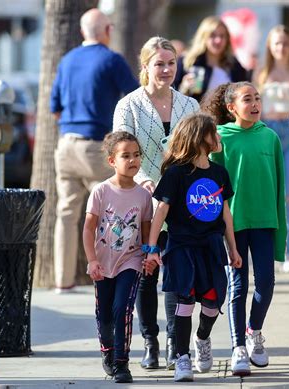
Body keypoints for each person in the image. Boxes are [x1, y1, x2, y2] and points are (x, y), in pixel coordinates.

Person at [113, 36, 199, 370]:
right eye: (159, 64)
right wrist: (143, 178)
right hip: (143, 202)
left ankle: (178, 345)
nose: (166, 70)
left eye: (171, 63)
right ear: (145, 66)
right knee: (147, 274)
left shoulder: (189, 106)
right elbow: (123, 150)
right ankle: (150, 340)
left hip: (180, 205)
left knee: (178, 277)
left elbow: (198, 152)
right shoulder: (129, 105)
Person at [143, 113, 241, 382]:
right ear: (201, 138)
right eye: (214, 133)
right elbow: (160, 211)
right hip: (181, 246)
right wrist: (152, 248)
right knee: (185, 300)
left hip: (211, 246)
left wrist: (232, 248)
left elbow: (226, 213)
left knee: (213, 301)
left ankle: (202, 337)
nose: (218, 137)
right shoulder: (175, 174)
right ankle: (182, 357)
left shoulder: (219, 173)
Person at [50, 8, 139, 294]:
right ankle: (112, 274)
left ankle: (62, 281)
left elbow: (55, 107)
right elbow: (134, 97)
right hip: (95, 145)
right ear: (108, 31)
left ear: (82, 32)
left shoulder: (66, 60)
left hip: (66, 144)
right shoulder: (111, 60)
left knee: (66, 213)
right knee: (113, 210)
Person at [203, 82, 286, 376]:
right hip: (232, 226)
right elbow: (212, 185)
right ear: (231, 107)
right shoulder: (220, 138)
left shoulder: (271, 138)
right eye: (247, 99)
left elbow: (279, 188)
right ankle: (238, 346)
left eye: (257, 99)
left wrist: (281, 232)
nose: (254, 103)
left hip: (265, 223)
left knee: (266, 283)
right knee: (238, 286)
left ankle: (254, 331)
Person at [83, 131, 153, 383]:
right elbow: (89, 228)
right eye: (126, 156)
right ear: (112, 160)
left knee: (122, 308)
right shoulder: (101, 191)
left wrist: (150, 255)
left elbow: (146, 232)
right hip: (103, 263)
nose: (133, 160)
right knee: (105, 315)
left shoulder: (144, 196)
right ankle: (108, 351)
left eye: (137, 155)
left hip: (130, 261)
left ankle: (122, 363)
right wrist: (92, 260)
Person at [255, 25, 289, 273]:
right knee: (268, 191)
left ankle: (286, 251)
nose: (281, 48)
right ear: (270, 46)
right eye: (277, 43)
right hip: (268, 131)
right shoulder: (261, 72)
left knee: (288, 193)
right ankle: (267, 249)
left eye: (286, 43)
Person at [173, 16, 248, 102]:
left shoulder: (234, 65)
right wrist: (183, 89)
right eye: (213, 35)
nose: (218, 40)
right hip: (197, 114)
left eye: (222, 36)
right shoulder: (187, 62)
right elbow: (171, 97)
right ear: (203, 37)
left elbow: (244, 92)